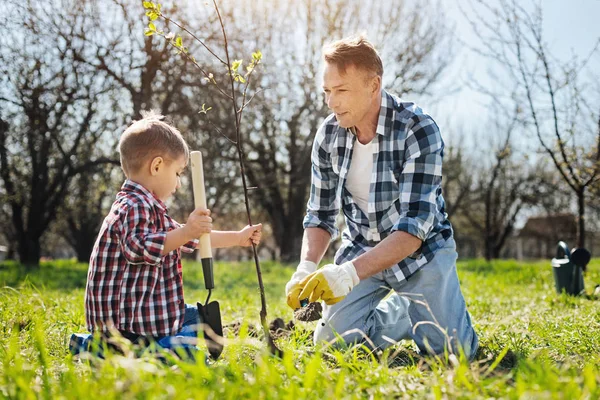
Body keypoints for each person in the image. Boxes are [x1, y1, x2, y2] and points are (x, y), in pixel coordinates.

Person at [285, 36, 478, 360]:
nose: (331, 103)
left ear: (374, 86)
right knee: (332, 346)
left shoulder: (418, 129)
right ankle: (405, 312)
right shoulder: (328, 135)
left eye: (341, 90)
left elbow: (413, 228)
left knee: (452, 355)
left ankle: (426, 307)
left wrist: (348, 273)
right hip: (362, 246)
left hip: (422, 252)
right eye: (327, 91)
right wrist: (306, 266)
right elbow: (320, 214)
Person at [84, 111, 262, 349]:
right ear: (157, 166)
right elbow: (138, 248)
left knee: (195, 318)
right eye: (177, 173)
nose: (179, 183)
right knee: (185, 353)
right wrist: (186, 231)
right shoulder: (133, 207)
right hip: (123, 328)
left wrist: (238, 237)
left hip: (140, 315)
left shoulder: (150, 208)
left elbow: (195, 239)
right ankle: (101, 348)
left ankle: (168, 341)